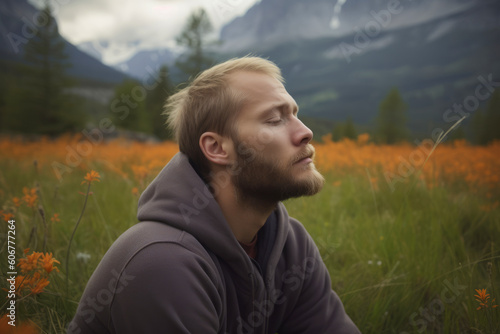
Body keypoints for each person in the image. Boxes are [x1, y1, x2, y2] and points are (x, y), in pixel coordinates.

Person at [68, 56, 360, 334]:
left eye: (295, 115)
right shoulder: (161, 264)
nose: (306, 133)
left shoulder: (291, 248)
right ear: (218, 149)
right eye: (274, 120)